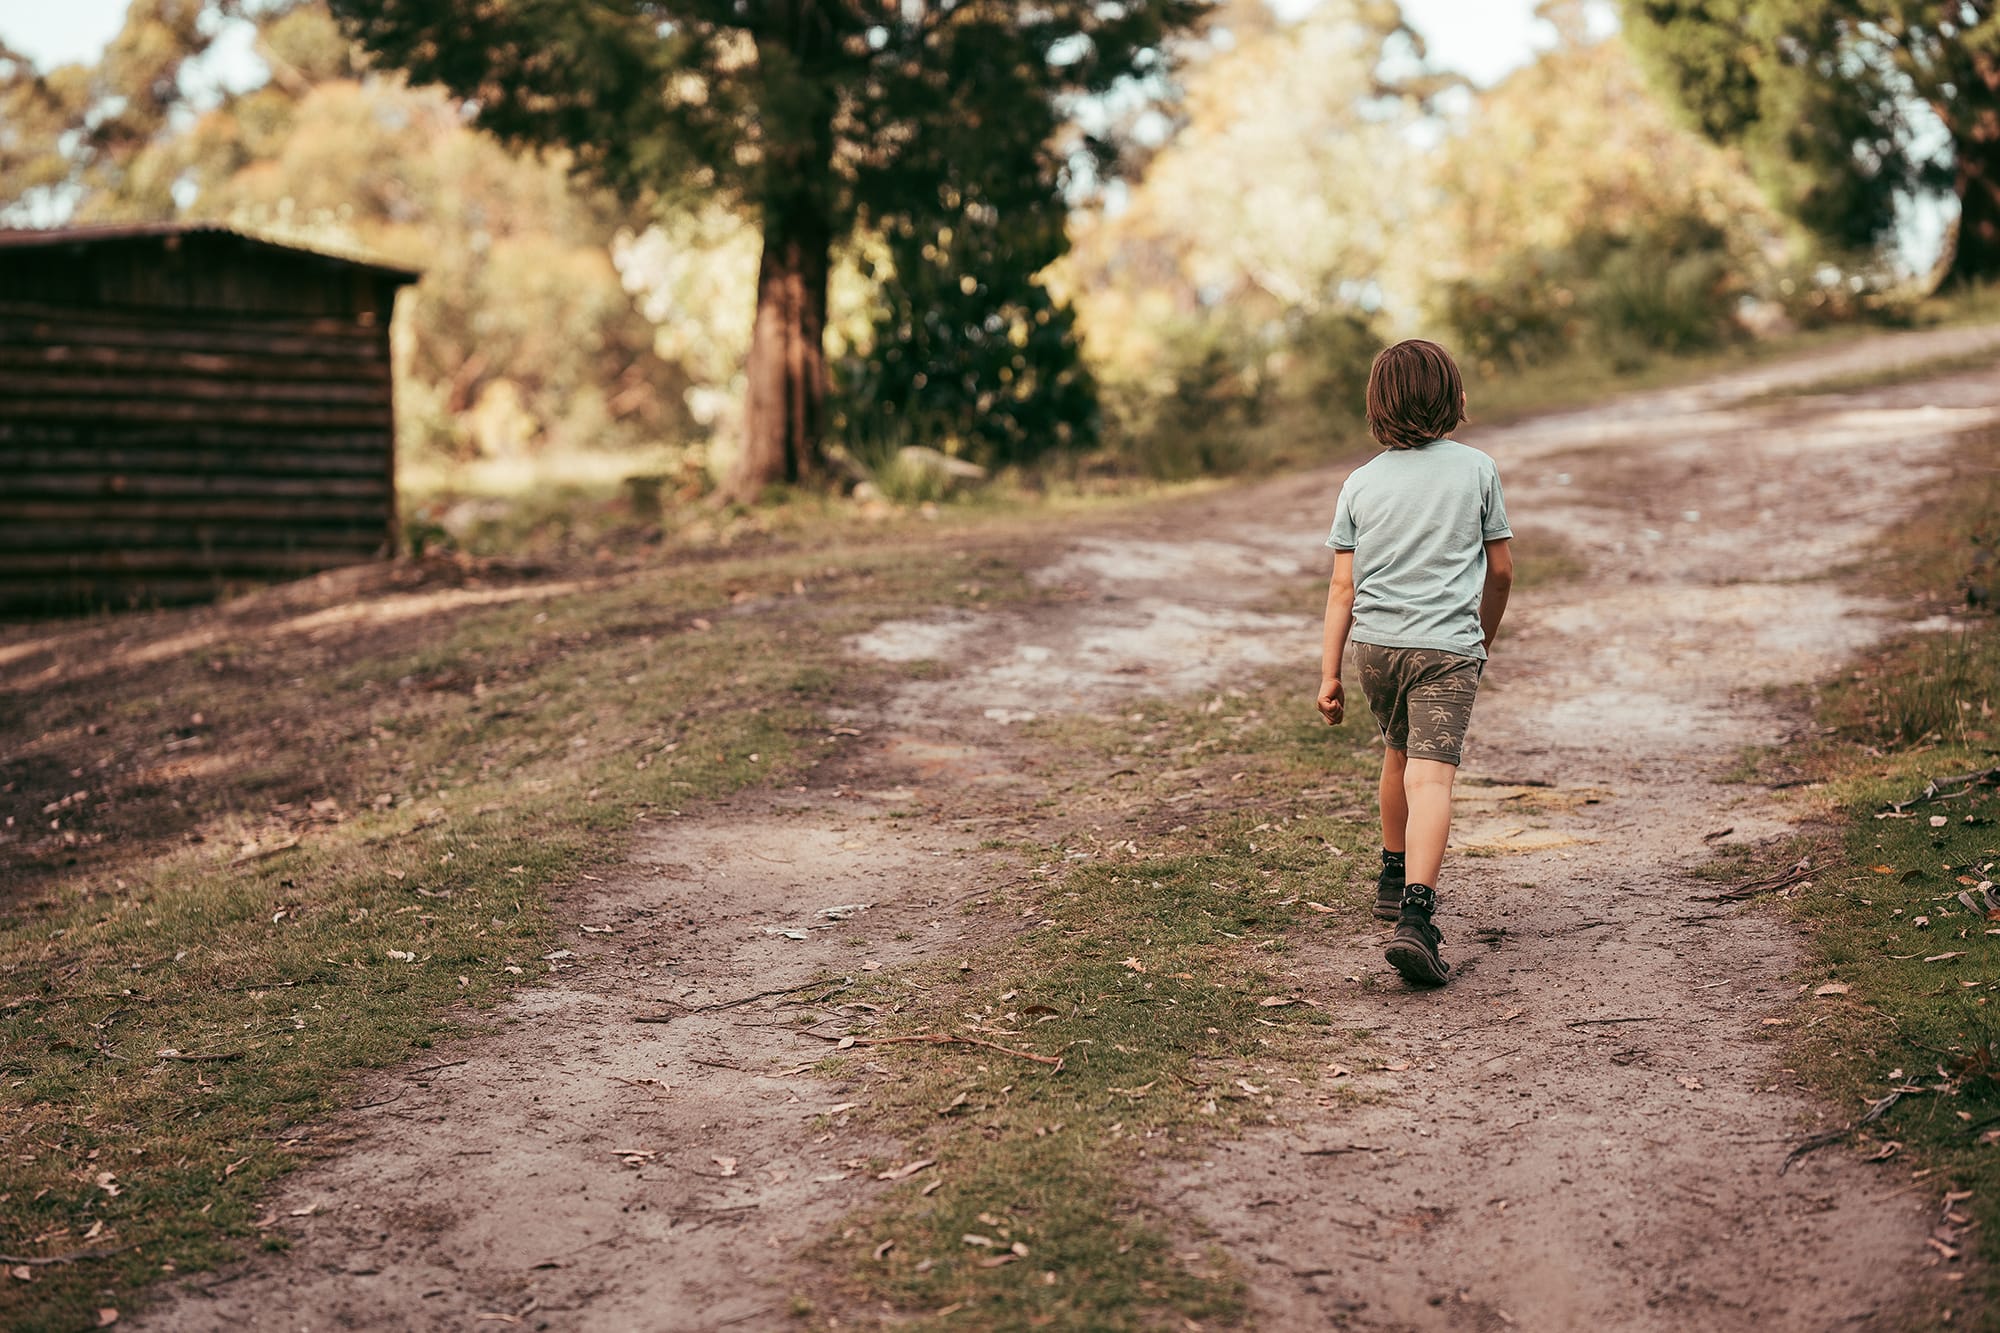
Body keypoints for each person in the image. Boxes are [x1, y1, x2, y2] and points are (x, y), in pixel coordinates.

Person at [1315, 339, 1513, 987]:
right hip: (1443, 649)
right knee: (1432, 777)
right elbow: (1502, 570)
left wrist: (1329, 673)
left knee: (1396, 755)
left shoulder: (1360, 482)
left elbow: (1342, 588)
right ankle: (1418, 918)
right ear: (1454, 396)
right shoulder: (1477, 469)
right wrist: (1477, 636)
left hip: (1375, 648)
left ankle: (1392, 872)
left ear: (1377, 406)